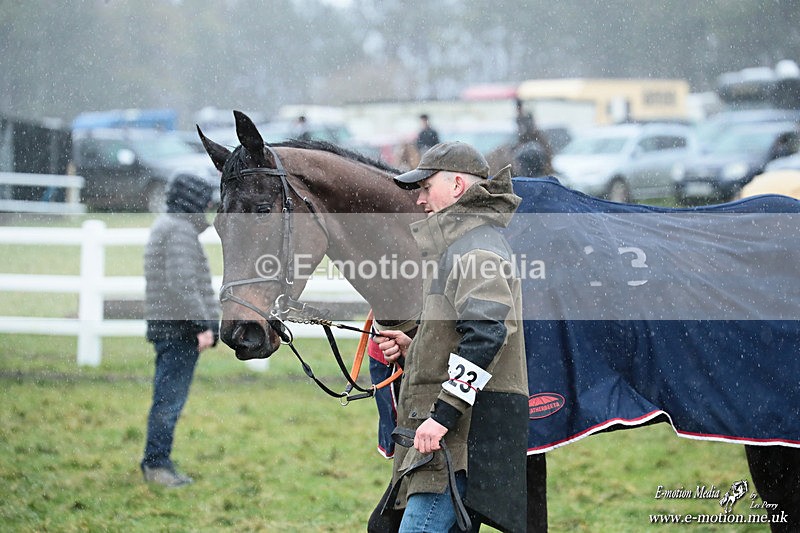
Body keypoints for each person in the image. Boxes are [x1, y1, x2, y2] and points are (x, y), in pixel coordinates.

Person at [373, 141, 529, 532]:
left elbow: (486, 335)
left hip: (456, 440)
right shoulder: (462, 248)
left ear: (457, 185)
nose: (421, 200)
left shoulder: (476, 252)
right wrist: (416, 350)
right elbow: (464, 335)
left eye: (426, 188)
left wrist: (441, 417)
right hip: (449, 437)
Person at [141, 173, 220, 487]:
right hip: (178, 331)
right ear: (193, 201)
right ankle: (157, 465)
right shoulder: (179, 231)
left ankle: (158, 461)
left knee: (166, 398)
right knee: (168, 401)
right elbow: (184, 285)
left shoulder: (171, 227)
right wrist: (202, 325)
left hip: (170, 328)